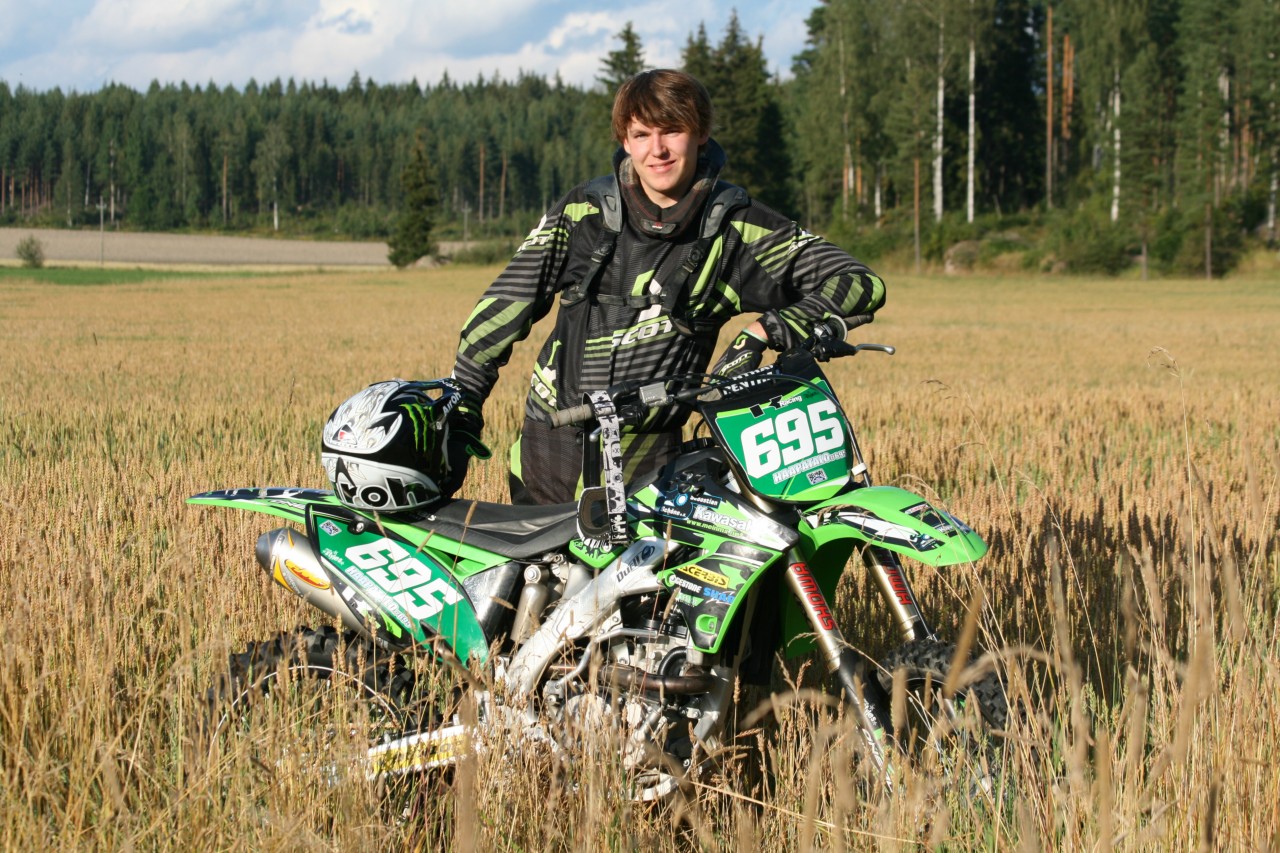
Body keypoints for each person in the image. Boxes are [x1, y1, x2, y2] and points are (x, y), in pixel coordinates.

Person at [446, 69, 886, 505]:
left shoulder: (737, 228)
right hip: (550, 444)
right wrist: (462, 402)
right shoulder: (584, 213)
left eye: (672, 130)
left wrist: (765, 331)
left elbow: (859, 283)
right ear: (625, 141)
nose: (656, 150)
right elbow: (503, 307)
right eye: (641, 135)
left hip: (653, 461)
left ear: (701, 133)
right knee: (541, 556)